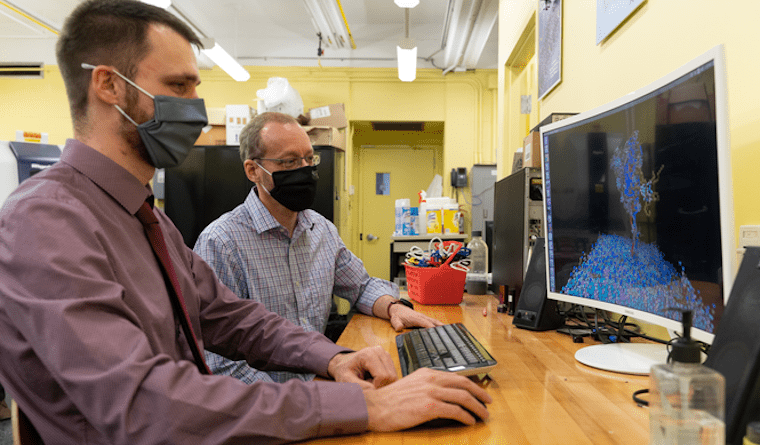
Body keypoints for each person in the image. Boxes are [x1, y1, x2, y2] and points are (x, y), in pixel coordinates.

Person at [0, 1, 491, 443]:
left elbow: (231, 318)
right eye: (176, 87)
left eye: (195, 87)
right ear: (108, 85)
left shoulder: (145, 218)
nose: (194, 109)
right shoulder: (45, 221)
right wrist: (361, 405)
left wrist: (332, 358)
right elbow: (141, 402)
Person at [194, 111, 443, 384]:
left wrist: (394, 307)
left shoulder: (321, 230)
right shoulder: (221, 243)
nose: (305, 169)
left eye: (309, 159)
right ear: (253, 170)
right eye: (289, 161)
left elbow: (360, 286)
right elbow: (220, 365)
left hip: (321, 378)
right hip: (271, 404)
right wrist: (310, 398)